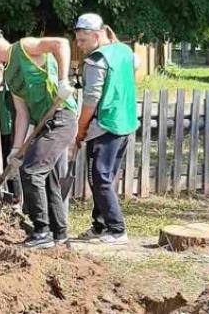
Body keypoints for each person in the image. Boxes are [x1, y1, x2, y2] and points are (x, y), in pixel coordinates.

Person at [0, 27, 77, 249]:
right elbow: (22, 114)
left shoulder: (24, 47)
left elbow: (61, 43)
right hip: (44, 124)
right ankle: (59, 234)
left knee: (31, 171)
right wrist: (15, 150)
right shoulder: (9, 73)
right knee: (45, 177)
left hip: (61, 116)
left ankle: (42, 233)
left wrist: (63, 81)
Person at [72, 13, 137, 244]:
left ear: (98, 35)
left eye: (83, 40)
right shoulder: (124, 51)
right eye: (77, 40)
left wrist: (80, 129)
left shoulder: (96, 61)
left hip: (105, 125)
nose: (79, 46)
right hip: (125, 121)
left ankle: (117, 229)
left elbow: (91, 101)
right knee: (106, 177)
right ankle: (100, 225)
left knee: (99, 178)